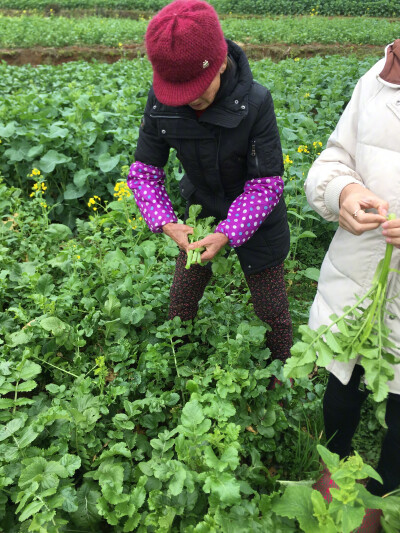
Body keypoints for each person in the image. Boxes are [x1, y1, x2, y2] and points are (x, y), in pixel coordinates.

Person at [126, 0, 292, 366]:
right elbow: (144, 171)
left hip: (256, 217)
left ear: (219, 62)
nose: (189, 102)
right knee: (181, 300)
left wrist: (229, 232)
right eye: (178, 96)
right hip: (201, 208)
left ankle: (285, 370)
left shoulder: (256, 102)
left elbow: (265, 184)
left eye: (197, 91)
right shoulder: (160, 102)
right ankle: (174, 363)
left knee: (272, 308)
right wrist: (166, 221)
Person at [305, 40, 400, 532]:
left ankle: (386, 504)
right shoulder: (375, 81)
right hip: (359, 272)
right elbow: (334, 156)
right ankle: (334, 477)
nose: (393, 63)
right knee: (344, 378)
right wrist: (343, 189)